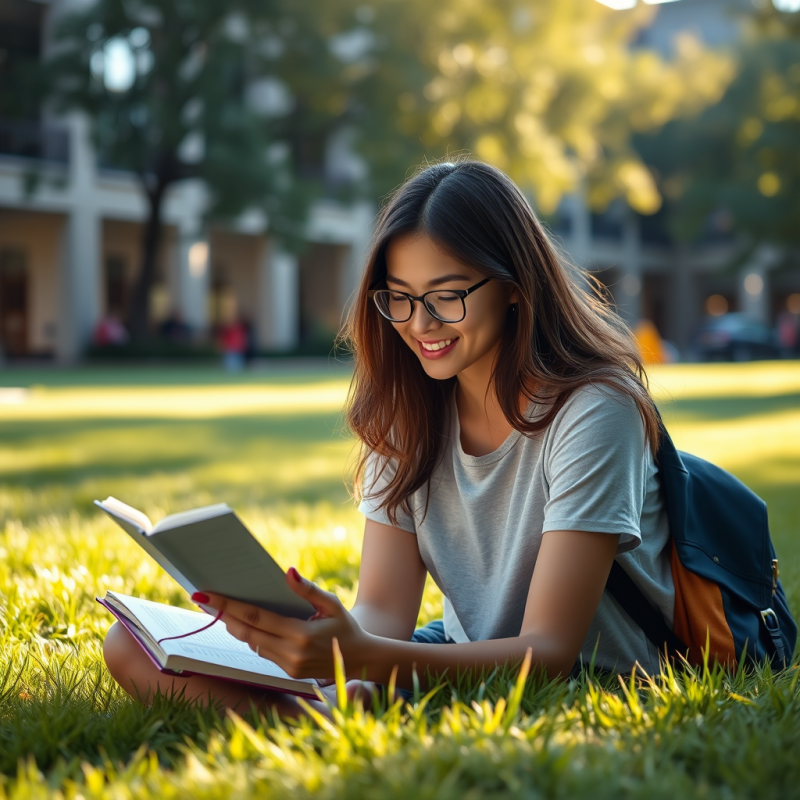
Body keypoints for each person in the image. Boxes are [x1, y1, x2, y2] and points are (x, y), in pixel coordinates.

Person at [103, 160, 671, 714]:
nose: (419, 324)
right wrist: (345, 664)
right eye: (398, 296)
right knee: (131, 647)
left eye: (447, 295)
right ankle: (322, 717)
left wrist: (366, 660)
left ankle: (309, 721)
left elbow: (550, 652)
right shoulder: (409, 411)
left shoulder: (594, 408)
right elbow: (380, 609)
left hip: (588, 677)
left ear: (515, 286)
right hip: (459, 660)